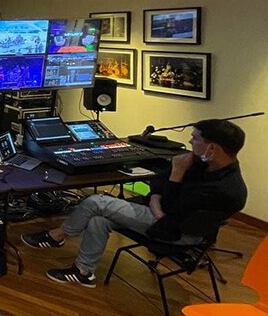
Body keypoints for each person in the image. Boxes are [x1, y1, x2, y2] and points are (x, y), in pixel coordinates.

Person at [21, 119, 247, 288]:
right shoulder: (201, 163)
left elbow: (171, 210)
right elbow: (158, 182)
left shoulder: (226, 189)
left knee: (96, 201)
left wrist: (175, 177)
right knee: (99, 219)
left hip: (176, 231)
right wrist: (158, 200)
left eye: (195, 138)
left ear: (212, 148)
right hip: (162, 216)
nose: (190, 141)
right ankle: (83, 272)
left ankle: (56, 236)